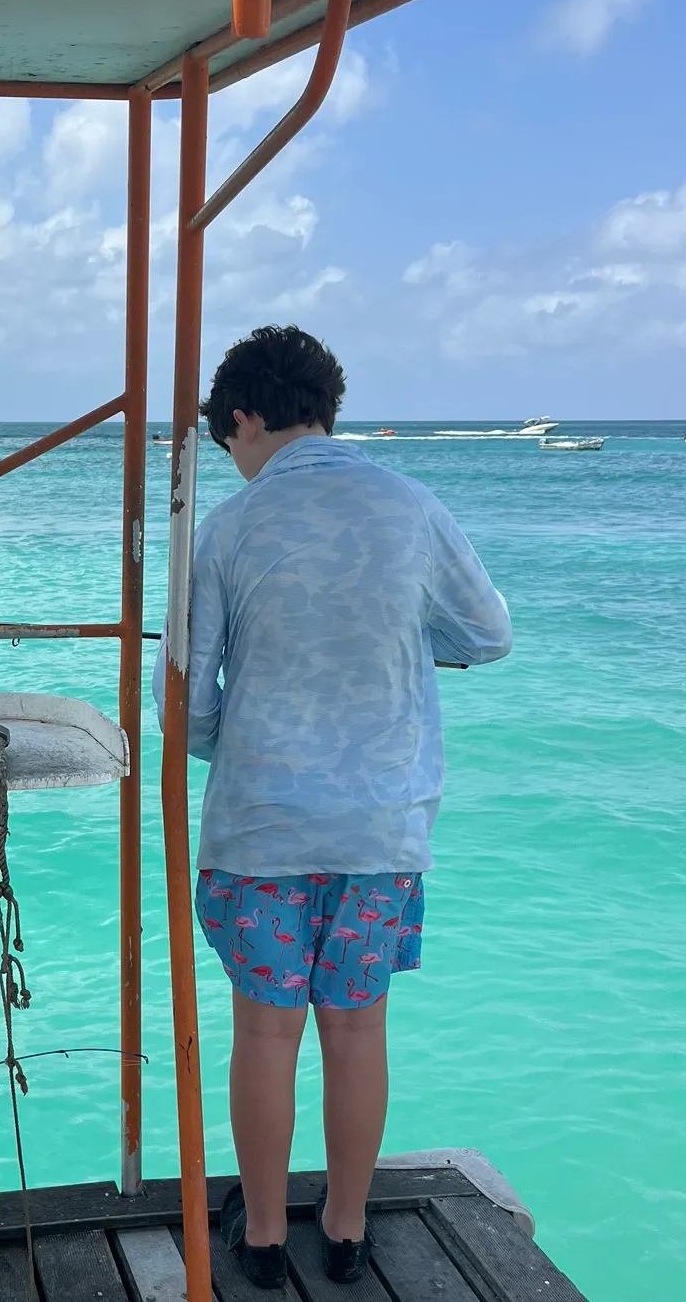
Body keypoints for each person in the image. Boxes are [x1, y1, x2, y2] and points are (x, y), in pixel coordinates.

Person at [152, 325, 512, 1287]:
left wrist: (246, 735)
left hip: (263, 825)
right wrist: (399, 644)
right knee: (358, 1030)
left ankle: (264, 1239)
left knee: (265, 1031)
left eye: (228, 446)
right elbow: (489, 634)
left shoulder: (228, 528)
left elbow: (182, 702)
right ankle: (347, 1235)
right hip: (382, 824)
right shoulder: (412, 505)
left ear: (243, 419)